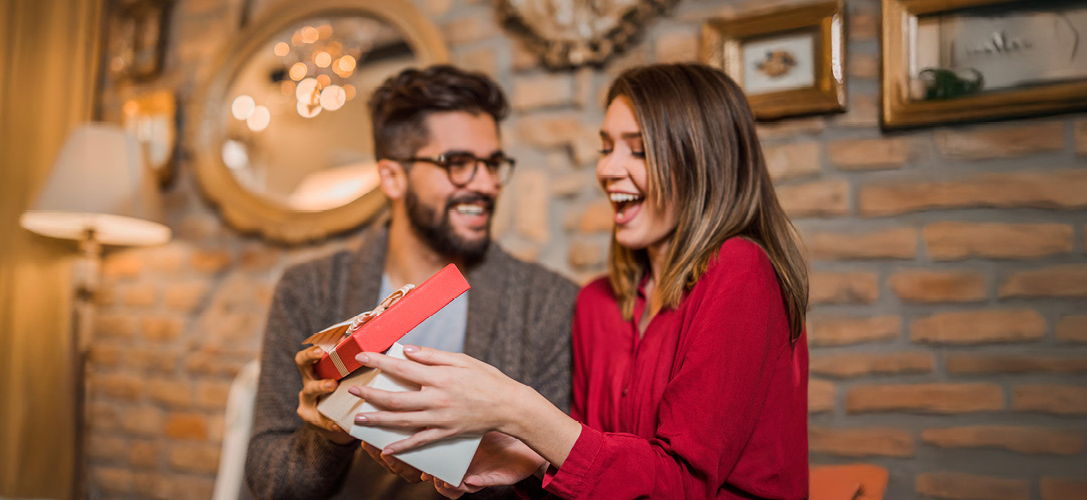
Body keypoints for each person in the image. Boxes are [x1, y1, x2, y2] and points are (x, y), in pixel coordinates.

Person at [347, 62, 811, 499]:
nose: (607, 169)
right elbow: (601, 473)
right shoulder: (597, 304)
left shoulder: (740, 271)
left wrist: (518, 409)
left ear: (704, 161)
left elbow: (682, 485)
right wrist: (527, 460)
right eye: (607, 147)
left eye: (640, 150)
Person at [244, 65, 578, 500]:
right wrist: (327, 433)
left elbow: (561, 480)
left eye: (493, 163)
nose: (486, 184)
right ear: (392, 177)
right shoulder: (310, 289)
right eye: (457, 163)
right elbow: (271, 482)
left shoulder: (548, 301)